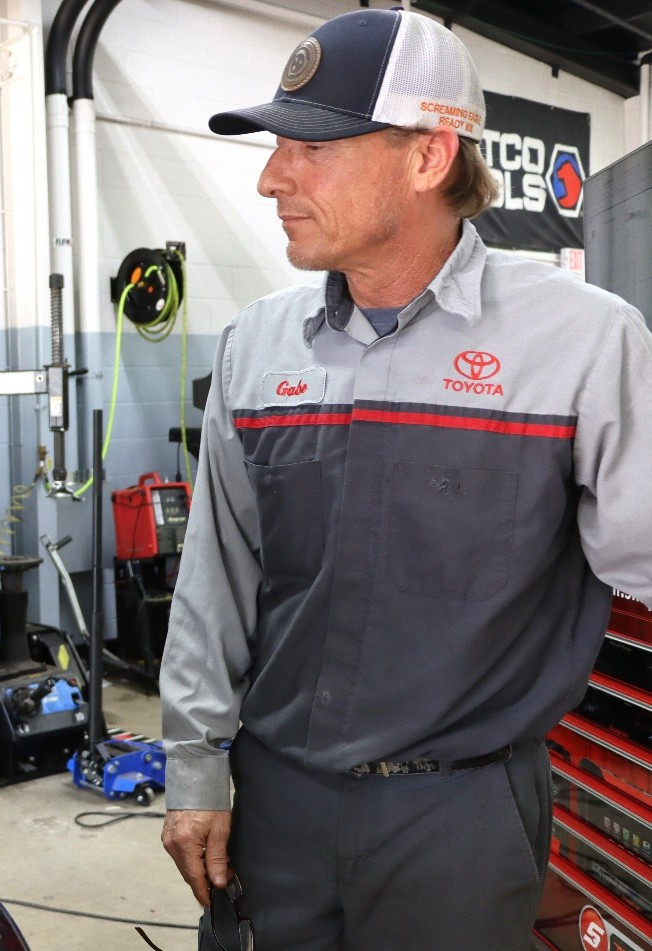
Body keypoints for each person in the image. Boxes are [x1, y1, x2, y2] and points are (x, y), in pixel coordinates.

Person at [159, 8, 652, 947]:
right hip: (274, 806)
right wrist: (194, 769)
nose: (272, 178)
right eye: (275, 148)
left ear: (429, 156)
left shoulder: (585, 344)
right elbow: (215, 577)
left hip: (462, 819)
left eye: (312, 148)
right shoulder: (256, 346)